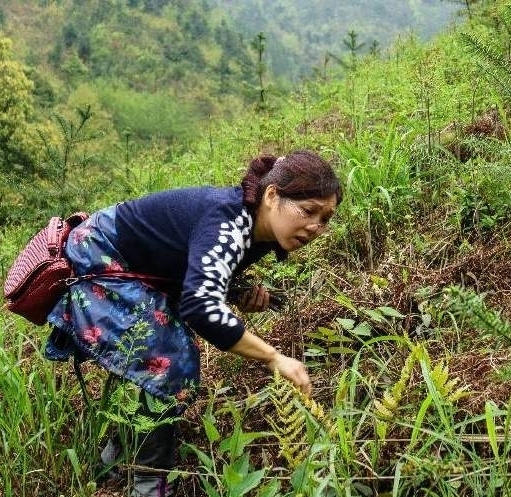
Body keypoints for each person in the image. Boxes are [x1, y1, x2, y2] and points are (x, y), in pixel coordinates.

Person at [42, 150, 342, 497]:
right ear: (272, 196)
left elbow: (195, 266)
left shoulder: (256, 228)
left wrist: (234, 291)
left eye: (325, 218)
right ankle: (147, 484)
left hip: (132, 262)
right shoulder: (228, 221)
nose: (315, 227)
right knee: (170, 360)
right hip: (99, 257)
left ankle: (114, 459)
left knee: (163, 356)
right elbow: (199, 305)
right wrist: (274, 358)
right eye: (308, 211)